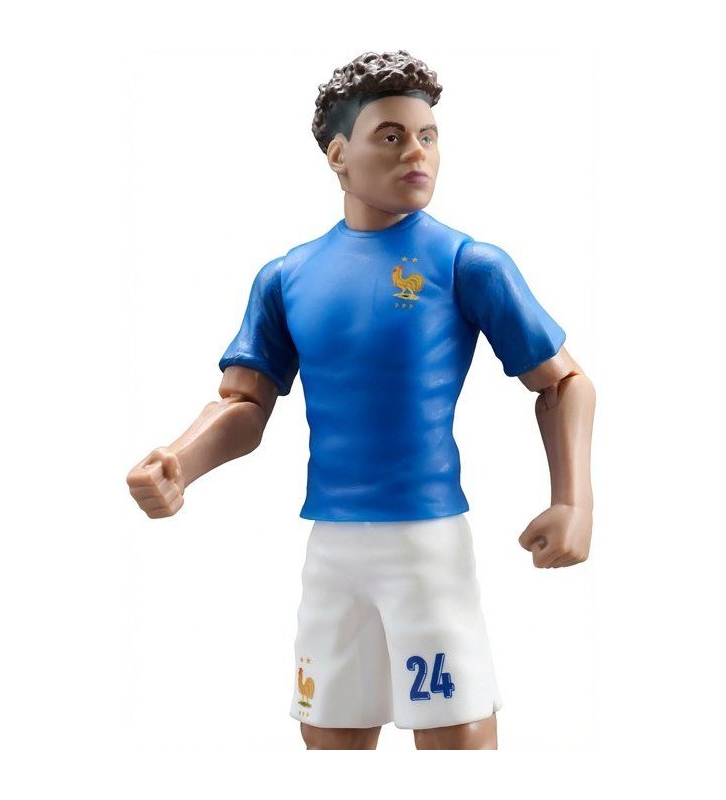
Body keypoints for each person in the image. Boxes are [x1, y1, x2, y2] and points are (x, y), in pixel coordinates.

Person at [127, 50, 595, 750]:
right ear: (338, 154)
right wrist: (180, 461)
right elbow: (245, 403)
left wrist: (574, 502)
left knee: (455, 731)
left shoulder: (466, 263)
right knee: (329, 732)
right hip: (333, 547)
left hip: (425, 543)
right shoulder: (287, 276)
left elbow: (563, 382)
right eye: (392, 135)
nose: (417, 152)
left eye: (428, 135)